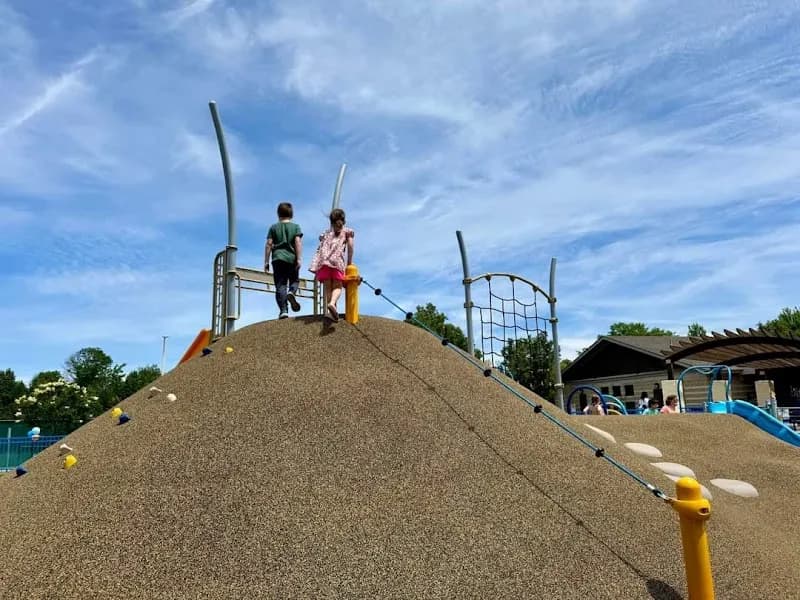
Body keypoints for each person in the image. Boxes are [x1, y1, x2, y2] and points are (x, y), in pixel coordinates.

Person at [309, 208, 354, 322]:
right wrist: (349, 263)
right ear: (343, 220)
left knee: (328, 287)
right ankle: (332, 303)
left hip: (323, 263)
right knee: (338, 286)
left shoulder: (326, 233)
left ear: (331, 221)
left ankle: (330, 312)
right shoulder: (347, 231)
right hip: (336, 262)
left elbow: (321, 241)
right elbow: (350, 246)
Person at [264, 202, 303, 319]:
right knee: (294, 280)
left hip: (277, 259)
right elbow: (297, 242)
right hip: (291, 258)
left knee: (280, 285)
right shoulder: (295, 227)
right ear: (291, 214)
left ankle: (283, 310)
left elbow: (269, 244)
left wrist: (266, 261)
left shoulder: (273, 227)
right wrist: (299, 258)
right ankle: (292, 292)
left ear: (278, 214)